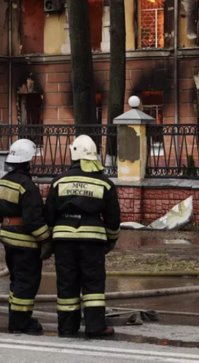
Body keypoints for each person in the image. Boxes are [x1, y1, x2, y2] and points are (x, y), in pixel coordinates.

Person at [44, 135, 121, 338]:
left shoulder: (59, 181)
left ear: (74, 154)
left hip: (63, 242)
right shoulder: (105, 183)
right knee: (93, 285)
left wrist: (49, 240)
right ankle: (95, 327)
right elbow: (113, 219)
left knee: (67, 282)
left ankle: (67, 328)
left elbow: (49, 215)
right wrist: (111, 241)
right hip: (92, 242)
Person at [0, 139, 52, 335]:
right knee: (27, 283)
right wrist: (46, 240)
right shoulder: (27, 185)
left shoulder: (3, 181)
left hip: (8, 240)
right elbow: (33, 219)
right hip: (25, 243)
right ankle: (21, 323)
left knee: (16, 281)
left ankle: (16, 318)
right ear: (28, 162)